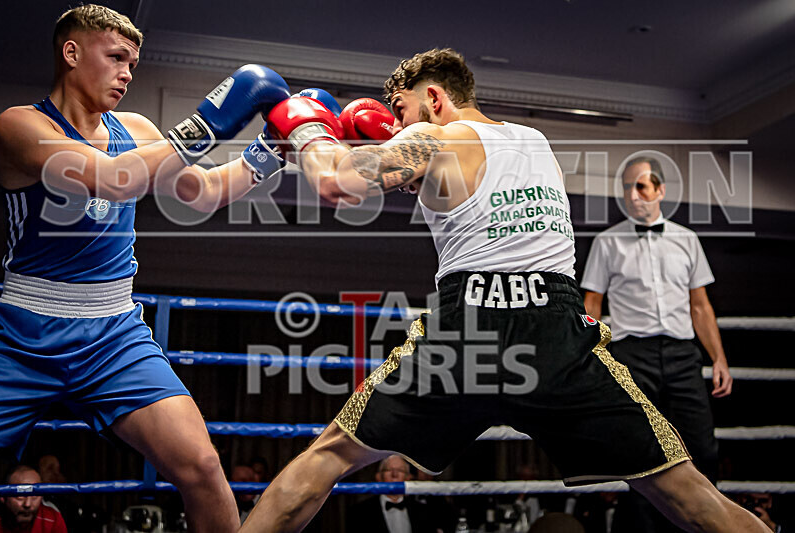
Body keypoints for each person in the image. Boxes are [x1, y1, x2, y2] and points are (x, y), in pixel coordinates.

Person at [238, 48, 767, 532]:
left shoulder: (437, 138)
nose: (393, 125)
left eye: (399, 110)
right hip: (557, 334)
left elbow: (334, 183)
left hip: (467, 332)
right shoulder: (537, 143)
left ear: (435, 98)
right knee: (687, 493)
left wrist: (307, 129)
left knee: (329, 457)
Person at [0, 5, 291, 532]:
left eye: (133, 62)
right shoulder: (19, 125)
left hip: (114, 336)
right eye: (115, 58)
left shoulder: (135, 126)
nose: (127, 74)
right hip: (22, 334)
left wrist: (270, 151)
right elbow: (111, 179)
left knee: (202, 467)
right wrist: (207, 123)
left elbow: (201, 195)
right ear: (71, 53)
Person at [580, 156, 732, 531]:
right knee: (644, 453)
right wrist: (590, 356)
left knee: (703, 447)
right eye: (628, 188)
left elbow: (700, 306)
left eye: (642, 186)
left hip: (682, 355)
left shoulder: (686, 240)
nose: (634, 195)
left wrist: (719, 358)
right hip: (634, 355)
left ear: (660, 190)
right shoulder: (607, 241)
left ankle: (704, 526)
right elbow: (592, 305)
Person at [347, 455, 441, 533]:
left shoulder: (424, 511)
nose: (394, 474)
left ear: (408, 478)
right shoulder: (360, 512)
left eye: (400, 470)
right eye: (389, 469)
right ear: (379, 477)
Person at [0, 465, 67, 533]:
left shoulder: (52, 519)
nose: (27, 504)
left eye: (35, 495)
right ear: (3, 497)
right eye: (20, 495)